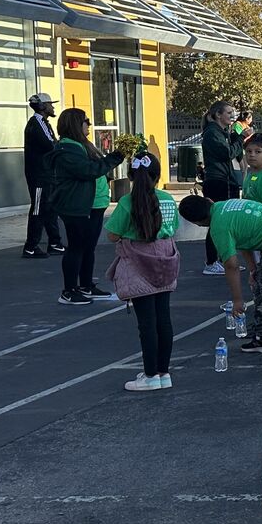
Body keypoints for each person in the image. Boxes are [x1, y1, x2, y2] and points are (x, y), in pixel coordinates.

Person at [179, 195, 262, 363]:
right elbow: (244, 241)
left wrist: (238, 300)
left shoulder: (218, 227)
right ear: (209, 201)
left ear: (197, 223)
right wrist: (254, 269)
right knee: (261, 287)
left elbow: (231, 266)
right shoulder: (225, 205)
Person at [103, 151, 180, 391]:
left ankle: (149, 375)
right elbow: (174, 227)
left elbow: (113, 234)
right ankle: (163, 372)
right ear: (158, 176)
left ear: (131, 176)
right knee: (163, 319)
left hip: (138, 262)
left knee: (146, 322)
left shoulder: (127, 202)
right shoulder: (167, 199)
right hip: (164, 259)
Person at [49, 108, 126, 306]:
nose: (89, 125)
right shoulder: (67, 148)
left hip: (94, 204)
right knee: (76, 247)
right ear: (75, 124)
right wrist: (114, 158)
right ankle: (69, 290)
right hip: (76, 205)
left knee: (88, 247)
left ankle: (85, 285)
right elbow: (87, 171)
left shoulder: (83, 145)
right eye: (86, 121)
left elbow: (95, 169)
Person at [200, 100, 244, 275]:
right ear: (218, 115)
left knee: (228, 223)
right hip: (217, 181)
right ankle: (211, 261)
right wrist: (239, 139)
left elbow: (234, 152)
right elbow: (226, 153)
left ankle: (227, 259)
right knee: (216, 222)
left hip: (227, 180)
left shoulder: (223, 132)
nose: (231, 116)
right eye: (228, 113)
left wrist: (236, 136)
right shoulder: (212, 133)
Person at [22, 92, 64, 257]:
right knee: (38, 209)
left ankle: (55, 243)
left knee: (50, 208)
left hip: (46, 174)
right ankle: (30, 246)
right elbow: (52, 145)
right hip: (39, 175)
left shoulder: (43, 123)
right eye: (50, 104)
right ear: (42, 106)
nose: (52, 107)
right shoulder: (36, 124)